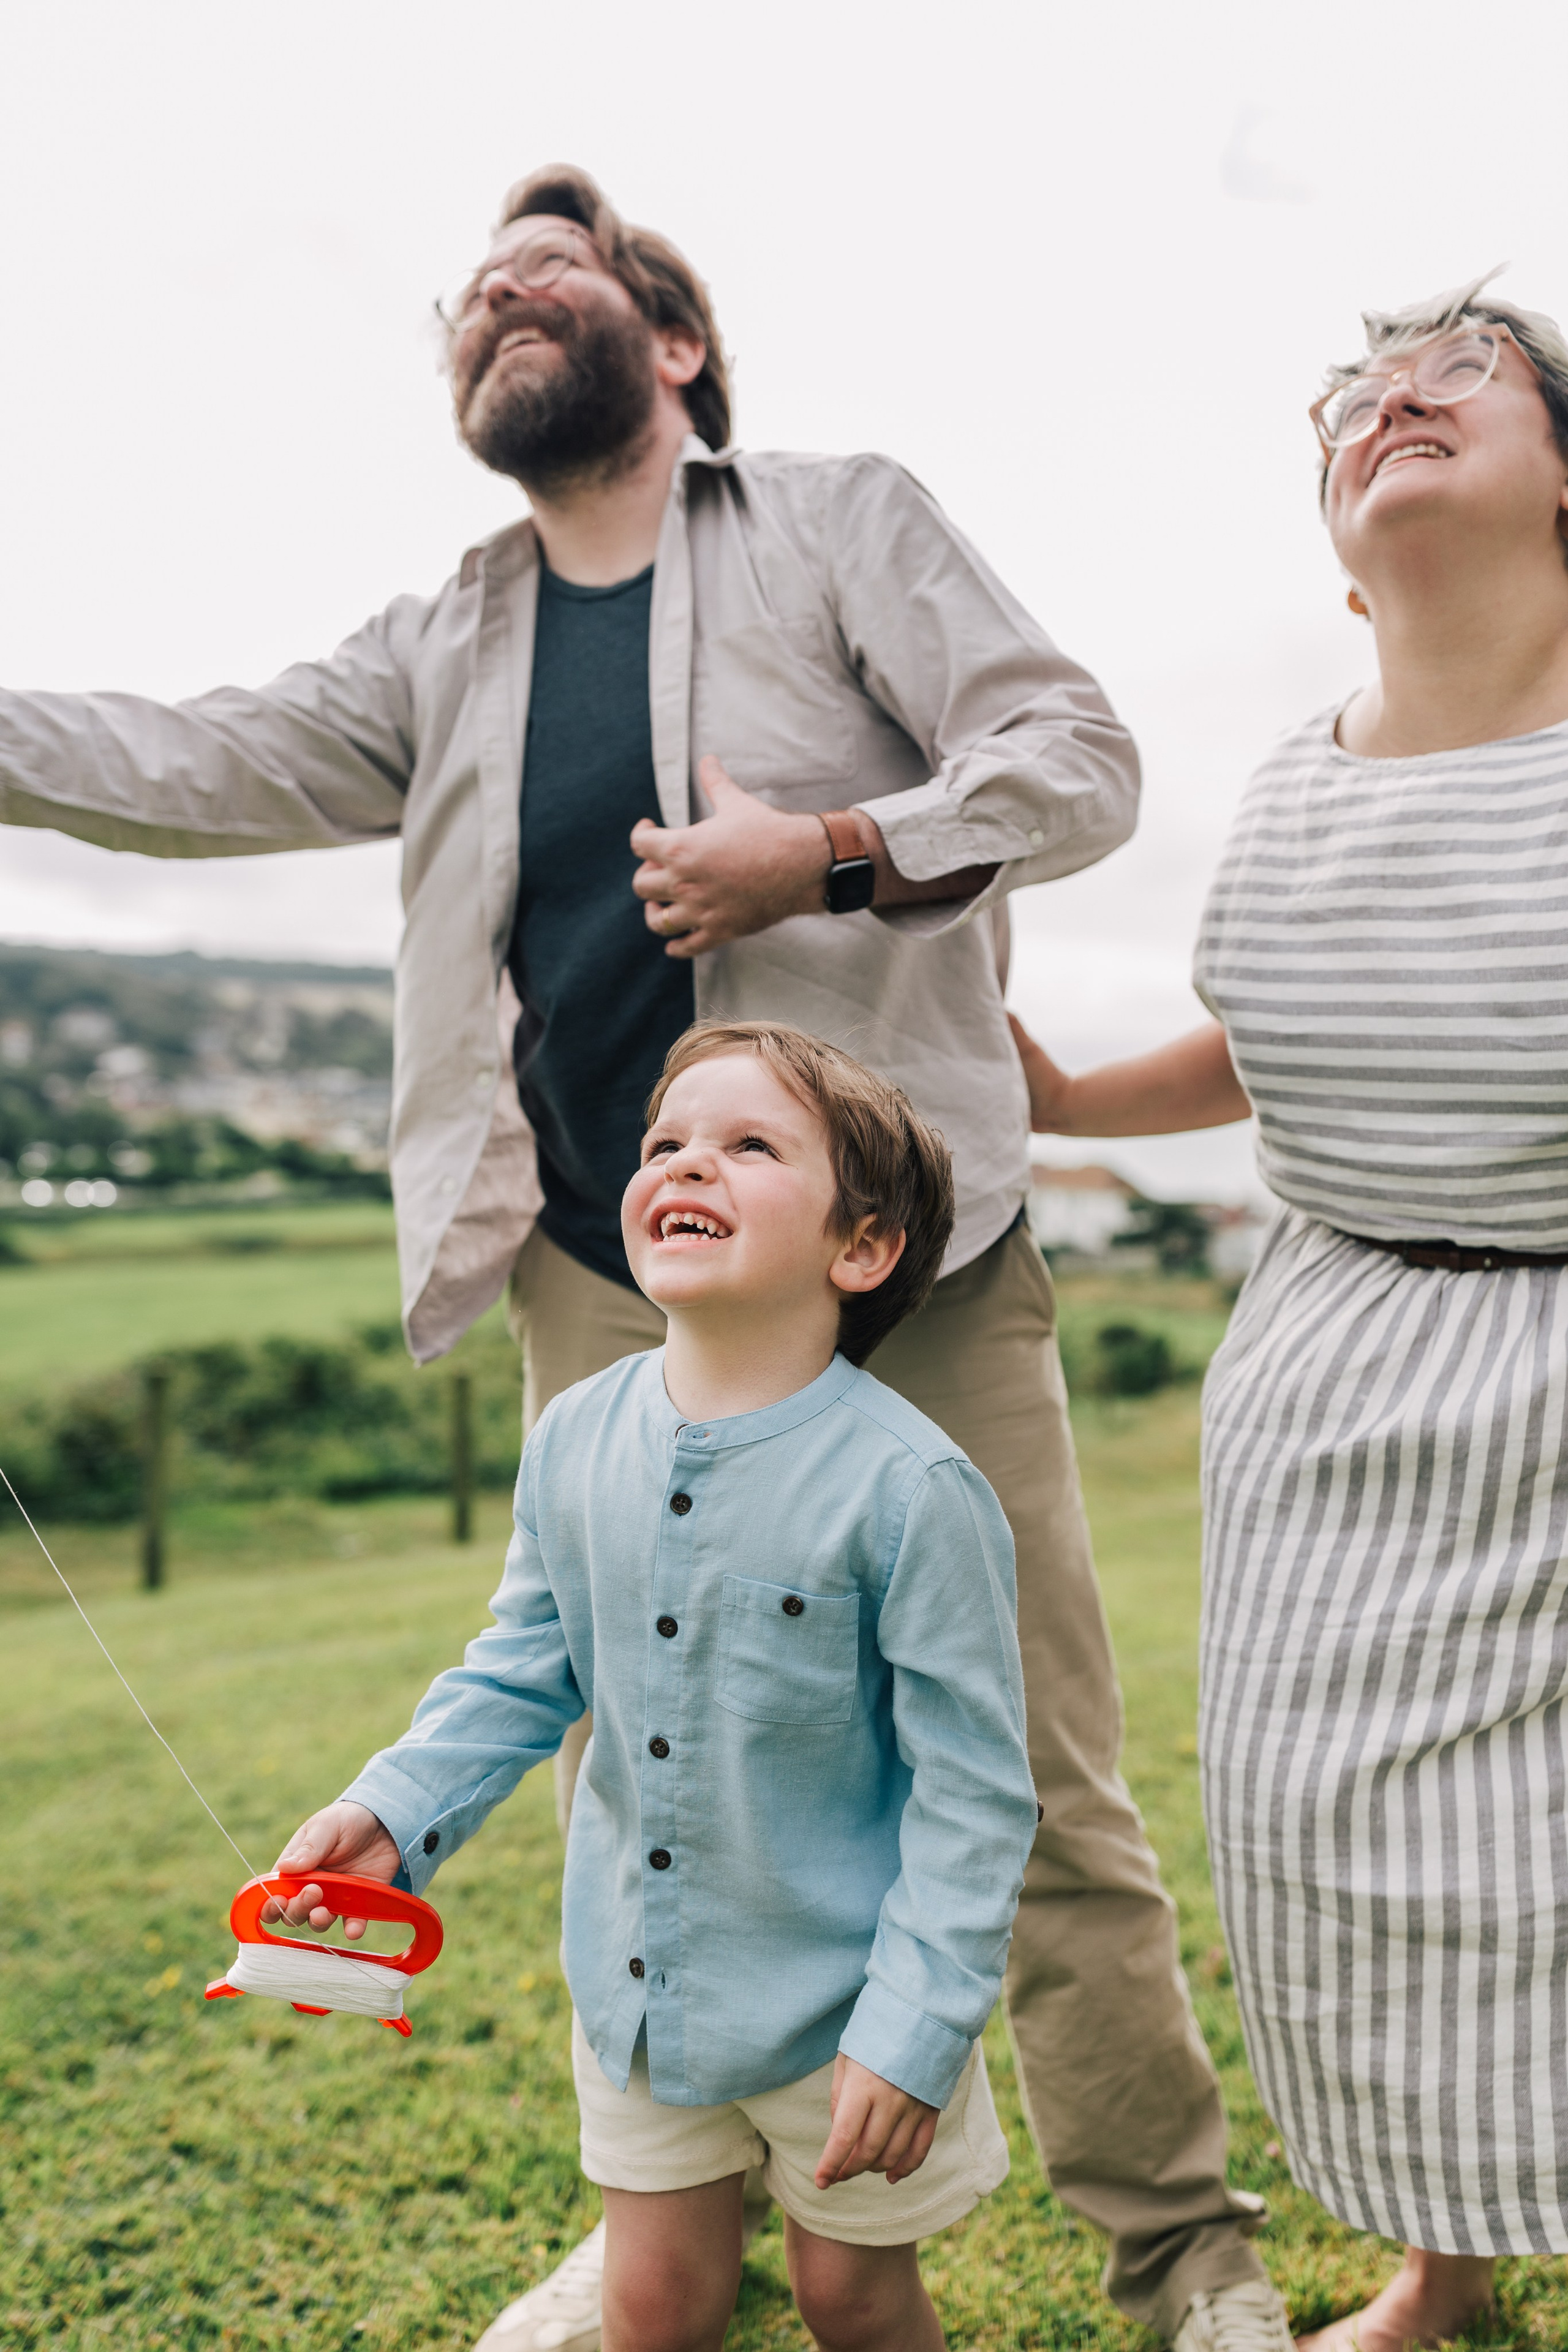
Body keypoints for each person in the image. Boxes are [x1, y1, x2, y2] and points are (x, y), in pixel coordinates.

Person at [0, 165, 1291, 2352]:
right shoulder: (444, 640)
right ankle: (665, 2215)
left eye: (551, 268)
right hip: (605, 1278)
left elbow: (1078, 758)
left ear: (668, 340)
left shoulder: (837, 519)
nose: (499, 295)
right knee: (638, 1764)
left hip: (916, 1256)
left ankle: (1187, 2258)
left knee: (1039, 1775)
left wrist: (841, 851)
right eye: (468, 295)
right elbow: (183, 755)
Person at [1011, 272, 1568, 2352]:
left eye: (1464, 378)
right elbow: (1254, 1041)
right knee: (1370, 1867)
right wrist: (1073, 1100)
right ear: (1337, 545)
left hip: (1558, 1381)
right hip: (1332, 1396)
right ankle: (1451, 2268)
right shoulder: (1290, 784)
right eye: (1360, 400)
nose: (1397, 407)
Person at [263, 1023, 1041, 2352]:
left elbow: (974, 1796)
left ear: (859, 1248)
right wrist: (398, 1811)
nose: (688, 1163)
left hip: (842, 2012)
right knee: (652, 2298)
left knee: (849, 2295)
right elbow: (520, 1666)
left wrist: (914, 2028)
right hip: (637, 1991)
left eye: (749, 1145)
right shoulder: (573, 1435)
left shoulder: (911, 1493)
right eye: (666, 1142)